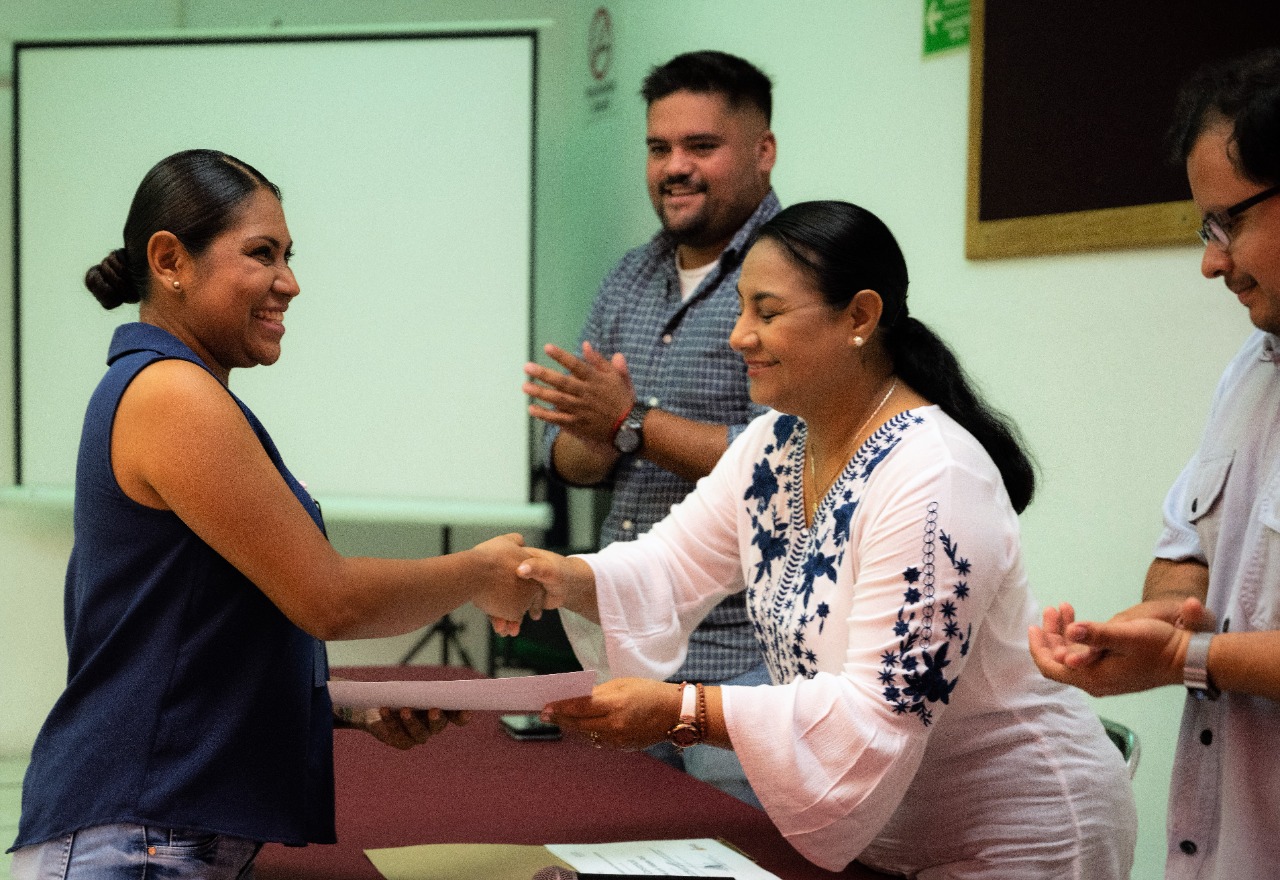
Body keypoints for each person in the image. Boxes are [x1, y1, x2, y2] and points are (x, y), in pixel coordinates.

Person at [520, 200, 1137, 876]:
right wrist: (552, 578)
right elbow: (668, 568)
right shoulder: (776, 443)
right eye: (740, 310)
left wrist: (684, 711)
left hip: (1018, 835)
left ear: (860, 317)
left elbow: (882, 705)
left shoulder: (934, 474)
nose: (739, 336)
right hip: (886, 838)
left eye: (767, 313)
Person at [7, 149, 537, 879]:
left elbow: (192, 636)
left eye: (288, 256)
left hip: (151, 831)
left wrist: (341, 708)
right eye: (261, 254)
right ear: (169, 261)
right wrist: (480, 571)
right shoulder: (172, 395)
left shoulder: (172, 390)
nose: (289, 282)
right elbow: (330, 599)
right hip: (141, 837)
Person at [1029, 47, 1280, 879]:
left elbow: (1197, 647)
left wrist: (1185, 658)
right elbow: (1188, 557)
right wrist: (1141, 630)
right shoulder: (1252, 371)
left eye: (1227, 223)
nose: (1212, 260)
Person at [522, 50, 778, 805]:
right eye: (659, 148)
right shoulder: (629, 277)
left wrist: (628, 420)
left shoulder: (795, 275)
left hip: (745, 667)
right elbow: (573, 462)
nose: (675, 168)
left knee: (743, 854)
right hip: (628, 659)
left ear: (763, 151)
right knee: (633, 847)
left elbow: (786, 462)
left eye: (701, 146)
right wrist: (598, 433)